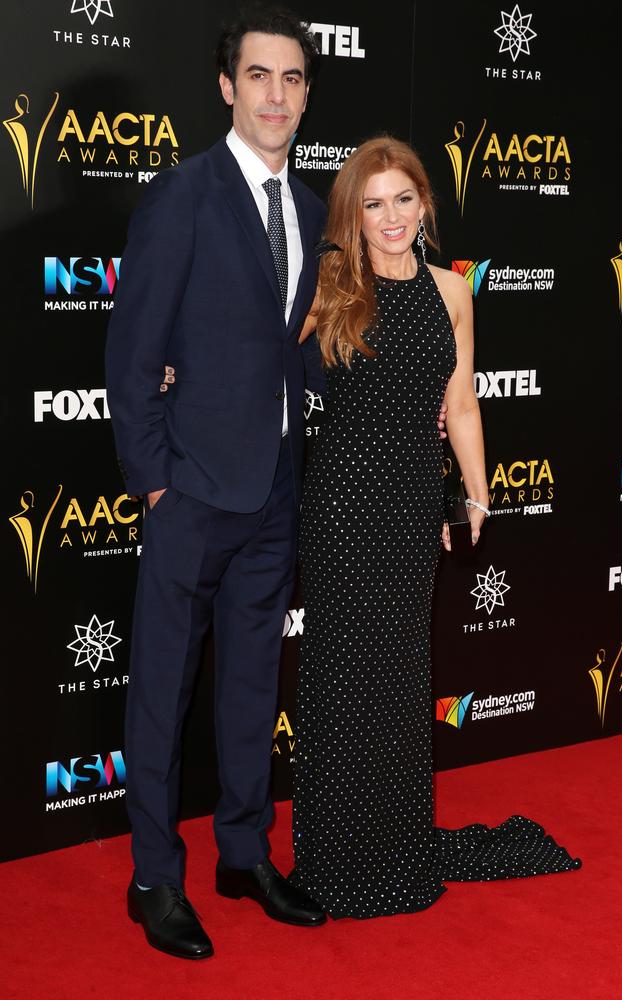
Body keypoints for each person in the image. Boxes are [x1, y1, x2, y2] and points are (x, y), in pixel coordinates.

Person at [287, 136, 581, 919]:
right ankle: (334, 860)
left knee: (399, 678)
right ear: (353, 211)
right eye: (373, 202)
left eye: (403, 199)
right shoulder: (330, 284)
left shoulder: (454, 291)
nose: (390, 217)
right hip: (343, 504)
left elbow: (460, 405)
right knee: (340, 680)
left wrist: (478, 495)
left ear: (425, 204)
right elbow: (255, 356)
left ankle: (393, 846)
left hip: (413, 504)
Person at [105, 6, 331, 960]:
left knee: (248, 690)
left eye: (293, 79)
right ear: (227, 86)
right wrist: (155, 482)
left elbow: (302, 349)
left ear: (305, 93)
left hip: (276, 491)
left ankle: (244, 853)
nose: (277, 95)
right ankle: (155, 876)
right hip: (192, 494)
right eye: (260, 76)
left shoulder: (316, 210)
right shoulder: (182, 194)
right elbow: (131, 351)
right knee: (161, 694)